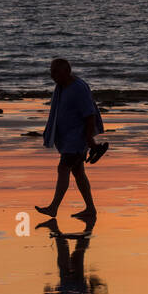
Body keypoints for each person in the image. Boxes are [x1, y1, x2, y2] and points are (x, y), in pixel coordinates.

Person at [36, 58, 106, 221]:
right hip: (68, 139)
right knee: (78, 172)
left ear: (67, 71)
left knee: (63, 169)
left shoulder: (78, 88)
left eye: (56, 71)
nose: (52, 75)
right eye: (51, 71)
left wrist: (89, 139)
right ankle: (90, 209)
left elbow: (90, 114)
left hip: (77, 139)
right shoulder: (61, 87)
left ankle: (53, 207)